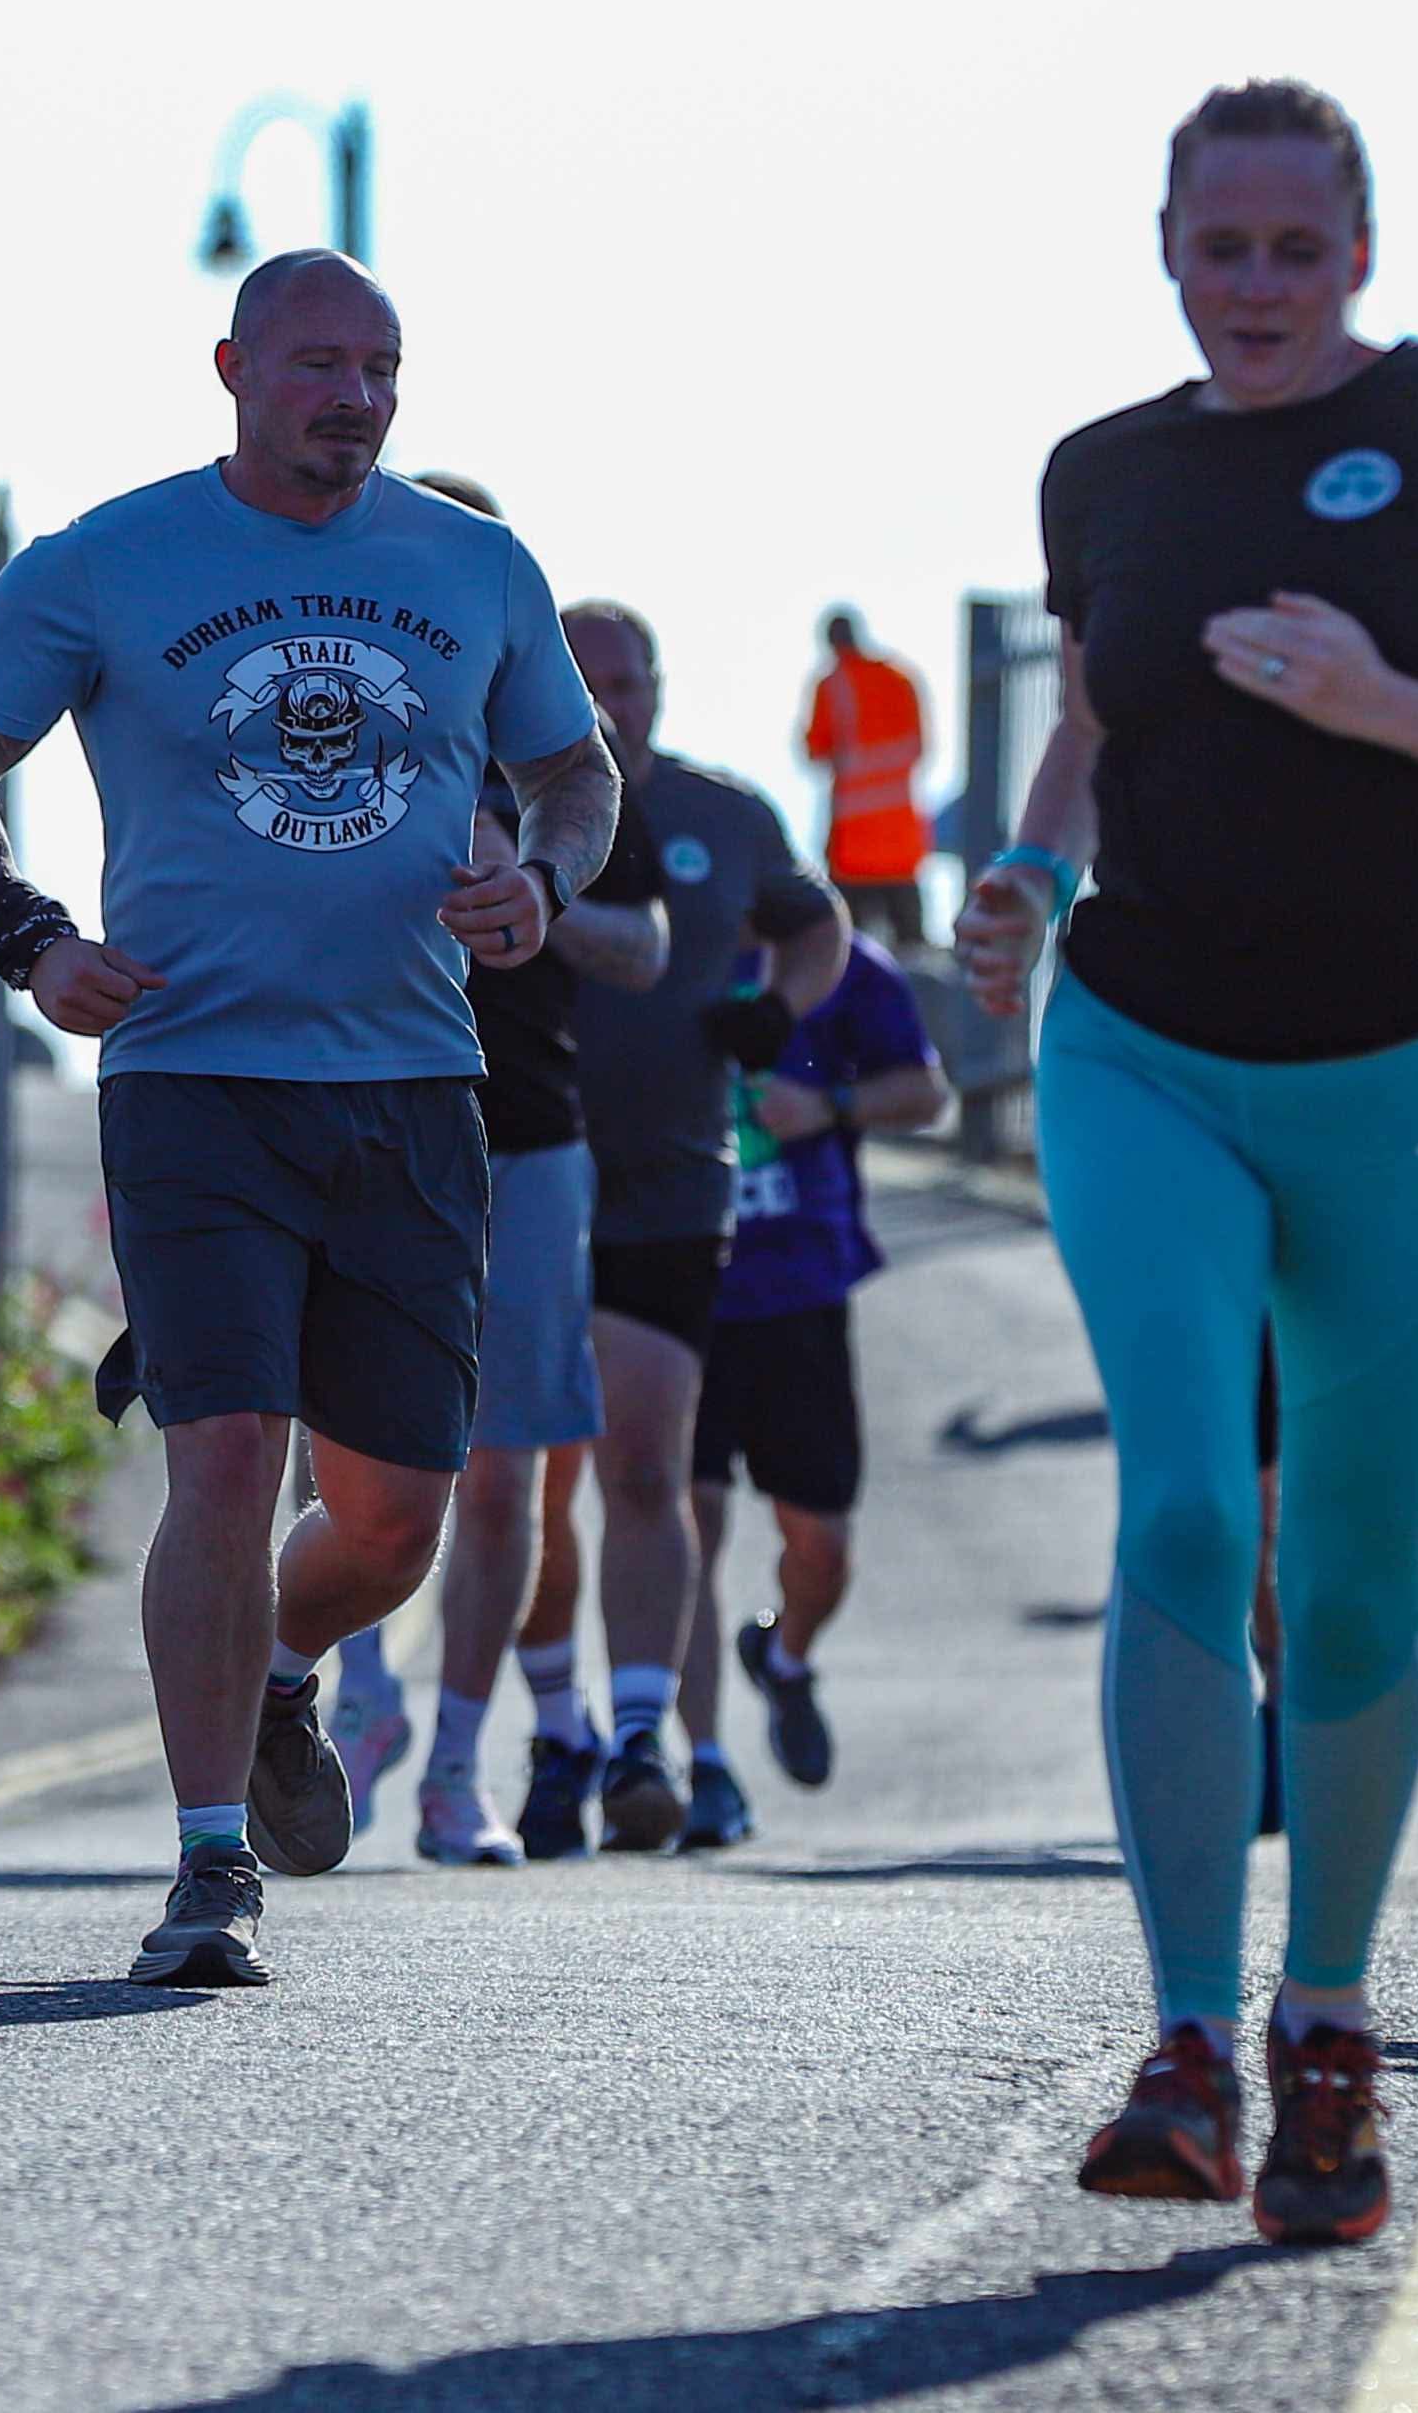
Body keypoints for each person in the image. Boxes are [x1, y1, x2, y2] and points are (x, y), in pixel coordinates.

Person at [956, 78, 1418, 2248]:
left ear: (1355, 248)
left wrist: (1372, 701)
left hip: (1417, 1056)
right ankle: (1183, 2043)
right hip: (1139, 1042)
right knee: (1173, 1498)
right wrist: (1023, 873)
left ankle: (1323, 2025)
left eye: (1291, 247)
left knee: (1344, 1562)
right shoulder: (1109, 471)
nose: (1253, 284)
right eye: (1215, 245)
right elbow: (1089, 710)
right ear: (1164, 248)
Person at [0, 250, 617, 1985]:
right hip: (189, 1071)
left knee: (393, 1521)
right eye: (315, 365)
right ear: (232, 367)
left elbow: (574, 775)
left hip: (415, 1085)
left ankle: (273, 1664)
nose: (351, 397)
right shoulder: (106, 560)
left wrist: (541, 871)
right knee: (223, 1446)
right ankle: (211, 1863)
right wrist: (30, 934)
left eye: (379, 366)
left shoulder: (475, 562)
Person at [332, 471, 674, 1870]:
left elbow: (644, 941)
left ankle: (458, 1768)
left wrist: (529, 891)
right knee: (337, 1439)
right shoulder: (322, 711)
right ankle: (354, 1703)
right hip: (345, 1107)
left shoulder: (546, 739)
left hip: (525, 1132)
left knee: (510, 1468)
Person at [557, 600, 847, 1856]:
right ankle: (538, 1725)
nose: (615, 702)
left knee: (648, 1469)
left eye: (631, 679)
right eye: (588, 682)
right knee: (508, 1481)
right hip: (512, 1173)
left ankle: (643, 1740)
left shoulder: (722, 815)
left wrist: (776, 1014)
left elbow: (816, 920)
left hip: (674, 1180)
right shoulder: (486, 802)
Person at [684, 925, 952, 1833]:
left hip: (799, 1288)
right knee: (691, 1533)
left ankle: (785, 1658)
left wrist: (829, 1103)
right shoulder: (673, 954)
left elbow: (925, 1092)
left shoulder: (845, 967)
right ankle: (701, 1768)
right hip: (676, 1285)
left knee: (822, 1544)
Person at [804, 607, 936, 948]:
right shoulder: (900, 678)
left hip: (853, 849)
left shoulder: (832, 685)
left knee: (850, 952)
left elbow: (815, 750)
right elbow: (920, 747)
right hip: (900, 844)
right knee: (912, 950)